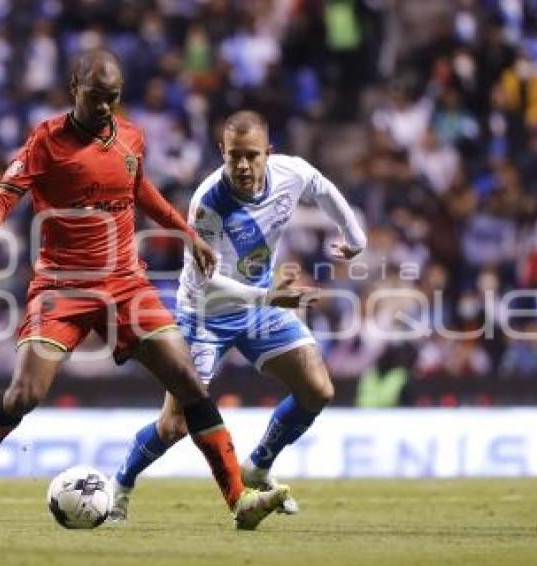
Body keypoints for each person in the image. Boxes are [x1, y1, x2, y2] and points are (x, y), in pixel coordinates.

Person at [0, 50, 288, 530]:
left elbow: (141, 191)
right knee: (24, 394)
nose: (105, 107)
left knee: (187, 381)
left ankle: (239, 499)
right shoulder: (45, 141)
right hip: (62, 286)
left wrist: (187, 234)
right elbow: (7, 193)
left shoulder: (130, 137)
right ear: (73, 89)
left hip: (125, 283)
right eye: (96, 97)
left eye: (113, 98)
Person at [108, 110, 366, 521]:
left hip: (259, 307)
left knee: (318, 390)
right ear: (221, 154)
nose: (243, 166)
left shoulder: (291, 173)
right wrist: (268, 297)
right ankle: (120, 485)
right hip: (205, 314)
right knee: (173, 426)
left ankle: (259, 465)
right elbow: (208, 284)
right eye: (234, 157)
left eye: (252, 155)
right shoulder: (209, 204)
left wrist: (355, 238)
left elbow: (323, 188)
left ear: (269, 153)